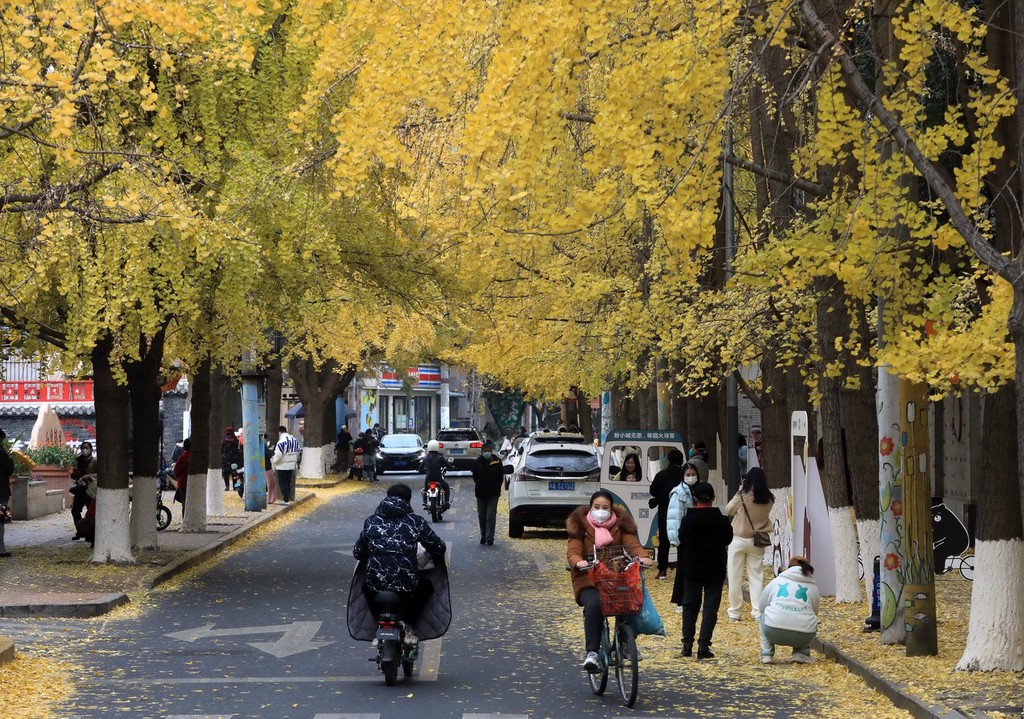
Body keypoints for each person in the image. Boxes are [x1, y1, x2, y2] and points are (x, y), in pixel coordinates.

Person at [566, 490, 652, 672]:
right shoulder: (579, 526)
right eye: (597, 507)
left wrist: (642, 556)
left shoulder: (620, 525)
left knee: (629, 598)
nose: (601, 511)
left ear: (612, 509)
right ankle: (592, 653)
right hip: (588, 579)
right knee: (595, 604)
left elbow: (632, 544)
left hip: (615, 577)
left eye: (605, 507)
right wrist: (578, 562)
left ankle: (626, 642)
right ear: (590, 508)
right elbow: (574, 550)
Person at [353, 483, 447, 640]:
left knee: (366, 586)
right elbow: (438, 547)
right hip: (407, 584)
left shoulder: (371, 521)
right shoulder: (415, 521)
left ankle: (378, 623)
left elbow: (357, 552)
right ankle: (409, 624)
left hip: (375, 585)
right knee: (426, 587)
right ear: (408, 501)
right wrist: (433, 558)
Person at [678, 481, 733, 658]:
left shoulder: (687, 519)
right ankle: (703, 646)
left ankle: (687, 644)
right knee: (710, 607)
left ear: (694, 498)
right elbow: (728, 539)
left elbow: (682, 538)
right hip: (715, 568)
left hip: (692, 567)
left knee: (690, 606)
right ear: (713, 498)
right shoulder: (721, 520)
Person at [724, 466, 776, 621]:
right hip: (757, 541)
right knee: (756, 577)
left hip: (738, 539)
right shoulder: (769, 498)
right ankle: (758, 612)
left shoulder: (742, 495)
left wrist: (740, 490)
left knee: (735, 576)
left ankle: (735, 612)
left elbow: (728, 510)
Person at [758, 556, 820, 664]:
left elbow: (761, 606)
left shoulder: (776, 581)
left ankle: (766, 654)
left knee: (763, 617)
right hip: (803, 635)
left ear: (789, 567)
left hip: (773, 631)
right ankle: (801, 653)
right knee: (810, 619)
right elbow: (815, 612)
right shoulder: (813, 587)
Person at [668, 462, 702, 608]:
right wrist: (676, 538)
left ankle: (693, 599)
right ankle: (680, 600)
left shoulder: (698, 490)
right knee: (683, 569)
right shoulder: (679, 493)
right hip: (685, 537)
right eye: (688, 474)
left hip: (697, 536)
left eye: (693, 474)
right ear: (683, 476)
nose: (691, 477)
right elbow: (674, 517)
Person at [648, 448, 685, 579]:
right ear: (682, 460)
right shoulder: (685, 475)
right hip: (683, 512)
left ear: (668, 460)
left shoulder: (661, 475)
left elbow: (653, 491)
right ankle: (683, 569)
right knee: (683, 540)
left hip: (665, 511)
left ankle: (662, 570)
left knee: (664, 541)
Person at [472, 440, 503, 545]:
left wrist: (496, 487)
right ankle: (483, 536)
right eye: (485, 451)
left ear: (491, 451)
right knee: (482, 516)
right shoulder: (477, 462)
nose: (487, 453)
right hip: (481, 493)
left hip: (493, 493)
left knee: (491, 516)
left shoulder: (497, 462)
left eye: (488, 451)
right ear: (481, 452)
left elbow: (500, 477)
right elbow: (475, 477)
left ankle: (490, 537)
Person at [69, 441, 97, 540]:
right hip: (80, 488)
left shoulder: (95, 461)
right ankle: (80, 530)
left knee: (91, 512)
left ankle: (90, 534)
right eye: (83, 448)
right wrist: (75, 474)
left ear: (91, 449)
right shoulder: (78, 461)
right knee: (75, 510)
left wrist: (88, 476)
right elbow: (74, 475)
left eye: (87, 448)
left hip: (90, 489)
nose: (85, 450)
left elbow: (99, 474)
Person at [272, 425, 301, 503]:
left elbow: (278, 455)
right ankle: (287, 499)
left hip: (282, 466)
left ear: (279, 432)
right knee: (288, 482)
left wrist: (274, 462)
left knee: (282, 483)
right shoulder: (294, 440)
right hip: (291, 466)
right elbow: (298, 451)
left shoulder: (281, 442)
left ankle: (286, 499)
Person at [419, 440, 450, 509]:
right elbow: (448, 465)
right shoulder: (440, 457)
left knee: (425, 489)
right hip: (438, 478)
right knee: (446, 487)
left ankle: (424, 502)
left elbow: (420, 468)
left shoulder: (426, 457)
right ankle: (446, 502)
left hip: (428, 478)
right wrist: (452, 467)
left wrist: (422, 471)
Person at [0, 429, 14, 558]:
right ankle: (1, 549)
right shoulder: (2, 453)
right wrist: (10, 459)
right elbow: (9, 470)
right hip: (1, 490)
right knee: (0, 518)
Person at [220, 426, 242, 491]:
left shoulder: (223, 439)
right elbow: (238, 449)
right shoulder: (236, 439)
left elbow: (221, 449)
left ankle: (227, 486)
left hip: (225, 458)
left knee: (225, 473)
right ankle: (235, 486)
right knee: (234, 472)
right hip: (234, 458)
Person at [173, 438, 191, 506]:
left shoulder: (183, 456)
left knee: (185, 504)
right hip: (195, 484)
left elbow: (176, 471)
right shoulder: (197, 457)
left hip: (183, 484)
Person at [264, 438, 279, 504]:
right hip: (266, 466)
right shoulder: (262, 445)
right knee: (271, 483)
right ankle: (270, 499)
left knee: (271, 483)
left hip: (266, 466)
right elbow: (267, 454)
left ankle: (271, 498)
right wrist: (271, 451)